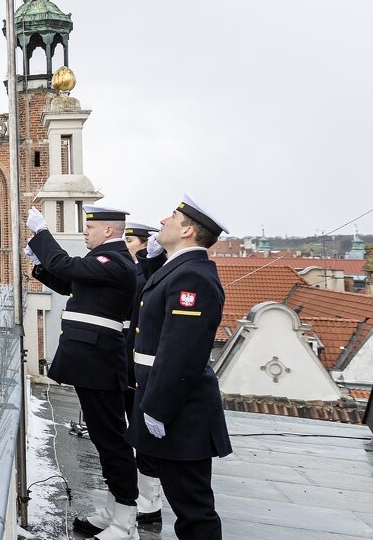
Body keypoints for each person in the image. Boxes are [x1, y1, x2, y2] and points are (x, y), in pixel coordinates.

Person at [25, 205, 140, 540]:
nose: (85, 232)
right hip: (93, 361)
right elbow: (71, 284)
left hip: (100, 362)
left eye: (91, 228)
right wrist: (37, 263)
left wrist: (43, 233)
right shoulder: (105, 263)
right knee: (105, 441)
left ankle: (126, 520)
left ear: (107, 231)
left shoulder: (114, 261)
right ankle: (113, 511)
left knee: (112, 441)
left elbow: (66, 265)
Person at [127, 194, 233, 540]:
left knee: (193, 510)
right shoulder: (180, 269)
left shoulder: (194, 278)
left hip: (179, 410)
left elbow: (181, 352)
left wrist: (158, 408)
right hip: (167, 402)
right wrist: (151, 260)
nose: (161, 221)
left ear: (187, 230)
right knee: (183, 500)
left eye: (171, 217)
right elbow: (152, 298)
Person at [121, 221, 165, 526]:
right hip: (129, 358)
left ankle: (150, 503)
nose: (125, 245)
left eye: (130, 240)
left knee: (145, 435)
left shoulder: (147, 272)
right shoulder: (135, 270)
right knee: (135, 428)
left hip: (143, 362)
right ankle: (145, 497)